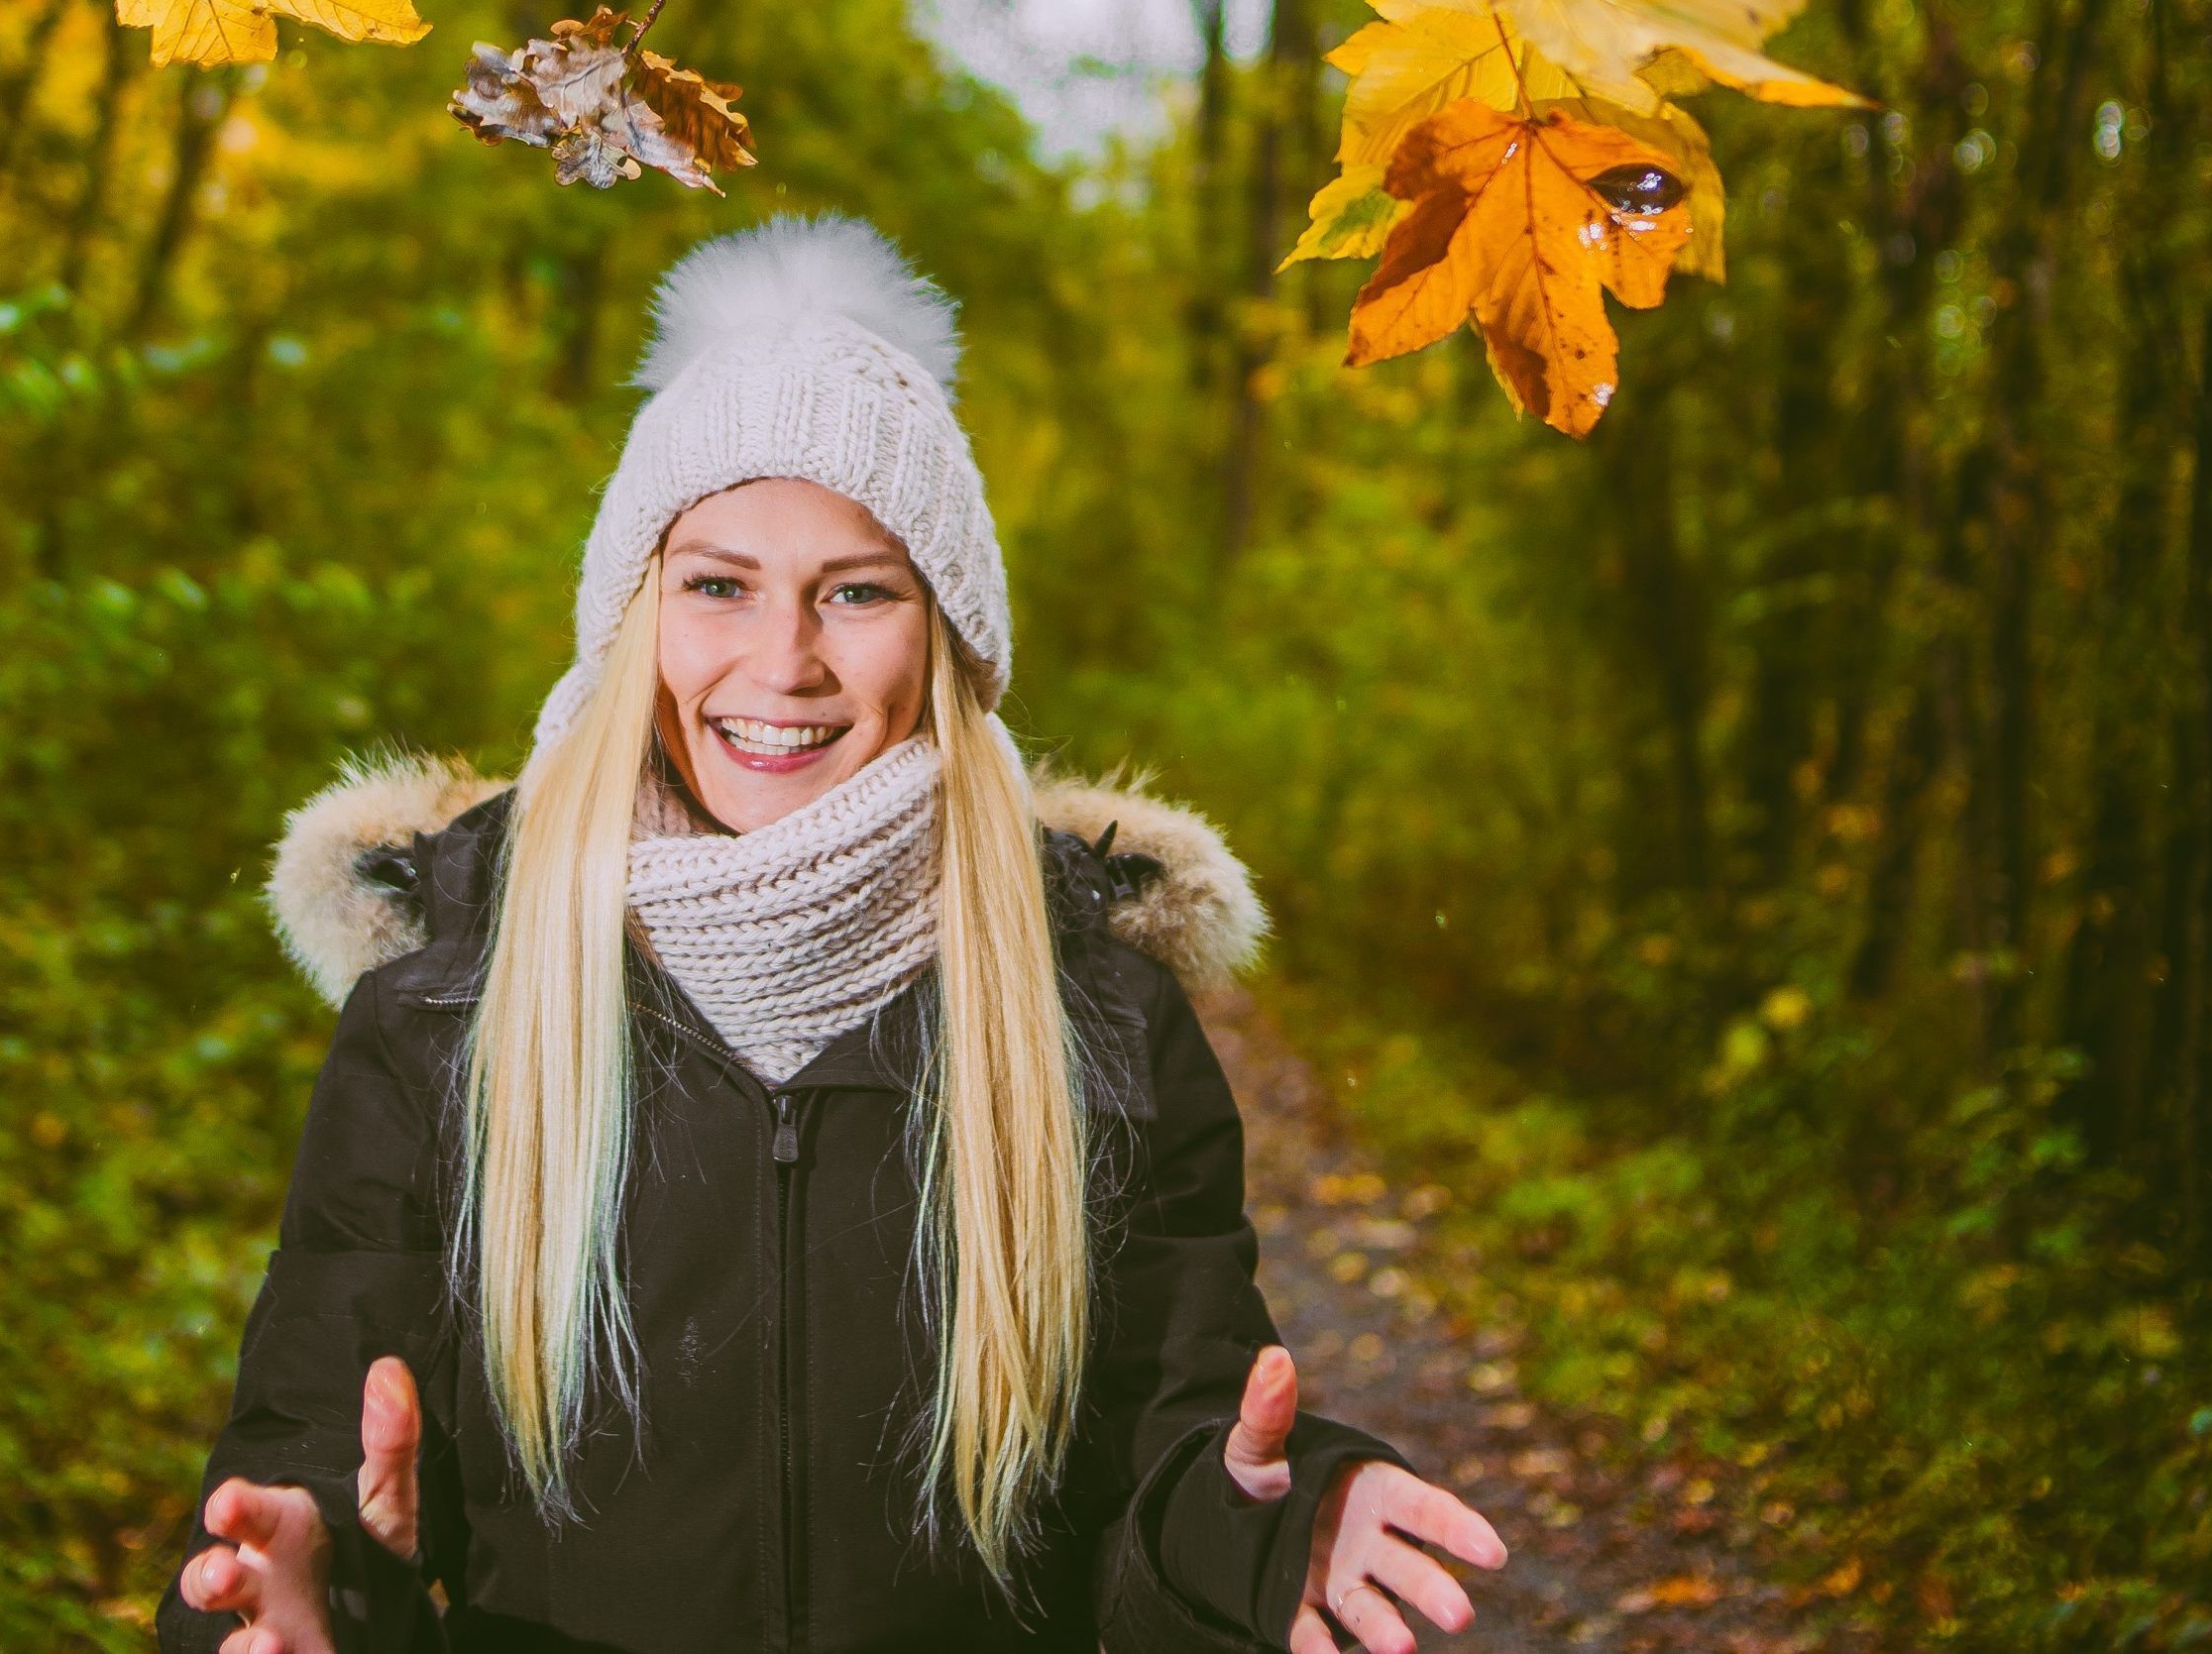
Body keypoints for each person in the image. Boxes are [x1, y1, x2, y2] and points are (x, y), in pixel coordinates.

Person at [161, 215, 1505, 1654]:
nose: (783, 662)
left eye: (857, 591)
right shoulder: (443, 1016)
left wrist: (1253, 1519)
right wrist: (306, 1580)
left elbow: (1170, 1442)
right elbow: (318, 1445)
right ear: (632, 620)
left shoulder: (1096, 1019)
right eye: (718, 584)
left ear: (944, 636)